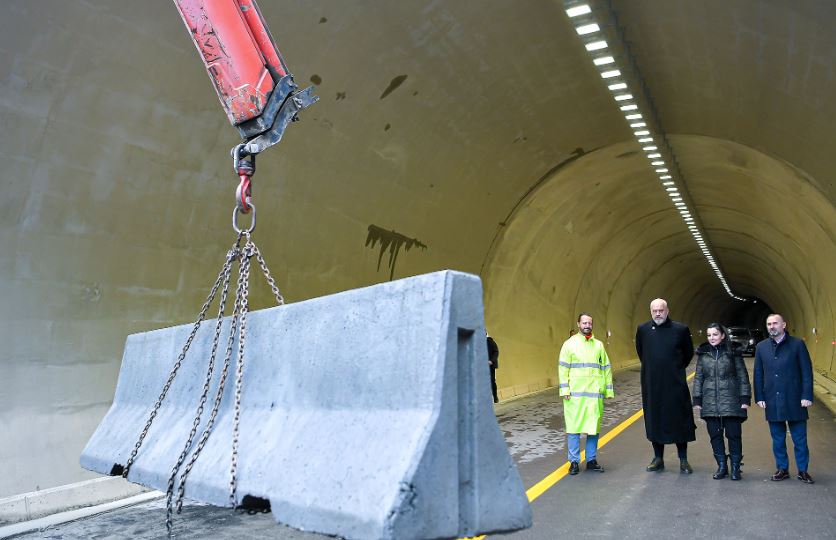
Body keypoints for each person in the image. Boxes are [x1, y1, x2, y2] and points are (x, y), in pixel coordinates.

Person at [635, 298, 696, 473]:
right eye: (654, 310)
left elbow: (688, 353)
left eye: (661, 310)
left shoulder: (680, 330)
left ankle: (683, 460)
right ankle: (658, 458)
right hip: (652, 384)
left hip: (675, 384)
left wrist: (674, 369)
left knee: (679, 420)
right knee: (655, 420)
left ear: (667, 311)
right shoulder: (643, 330)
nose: (658, 313)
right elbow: (642, 352)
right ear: (650, 311)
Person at [754, 313, 815, 484]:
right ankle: (782, 469)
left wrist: (807, 395)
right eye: (768, 324)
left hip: (795, 399)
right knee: (778, 439)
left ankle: (803, 470)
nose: (771, 326)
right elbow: (758, 373)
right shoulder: (761, 347)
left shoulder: (797, 345)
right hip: (772, 398)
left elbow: (806, 372)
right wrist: (759, 396)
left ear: (784, 325)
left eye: (775, 323)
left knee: (800, 439)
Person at [692, 323, 751, 480]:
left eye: (715, 334)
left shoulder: (733, 353)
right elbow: (698, 378)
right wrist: (697, 399)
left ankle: (736, 468)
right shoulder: (703, 354)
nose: (712, 338)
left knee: (734, 435)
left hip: (732, 400)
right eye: (709, 335)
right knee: (715, 436)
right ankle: (722, 466)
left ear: (723, 335)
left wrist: (745, 398)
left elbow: (742, 376)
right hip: (710, 401)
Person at [558, 312, 614, 475]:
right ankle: (574, 462)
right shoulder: (569, 344)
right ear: (578, 324)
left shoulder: (599, 345)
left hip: (594, 396)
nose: (587, 325)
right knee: (574, 429)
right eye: (584, 323)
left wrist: (607, 390)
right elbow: (563, 368)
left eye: (589, 323)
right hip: (574, 396)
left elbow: (606, 368)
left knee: (593, 429)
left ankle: (591, 460)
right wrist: (565, 389)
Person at [486, 333, 499, 403]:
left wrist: (491, 360)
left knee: (492, 381)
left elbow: (496, 352)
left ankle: (495, 396)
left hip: (490, 365)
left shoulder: (490, 341)